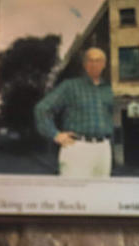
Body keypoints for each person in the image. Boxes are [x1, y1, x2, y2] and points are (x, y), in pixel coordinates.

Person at [34, 47, 114, 178]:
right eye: (90, 60)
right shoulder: (70, 86)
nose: (94, 64)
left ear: (104, 64)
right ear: (84, 64)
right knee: (73, 195)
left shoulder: (108, 90)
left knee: (101, 195)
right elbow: (42, 109)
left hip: (103, 149)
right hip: (77, 148)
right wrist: (55, 134)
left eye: (98, 60)